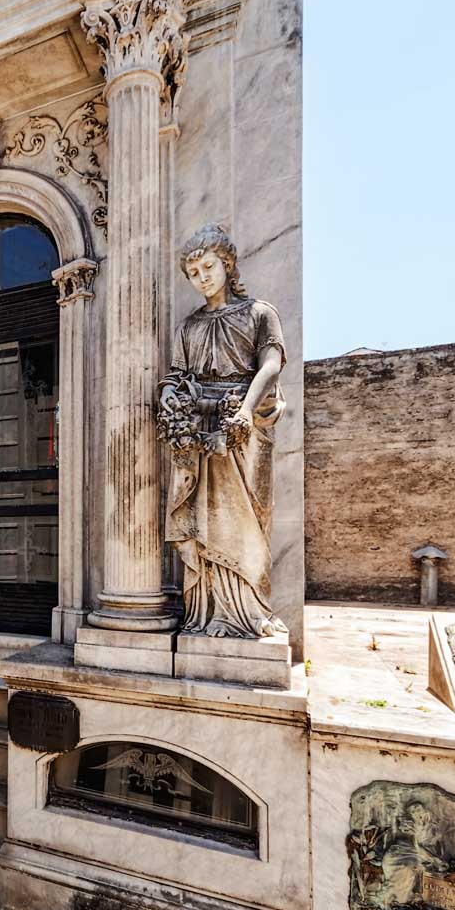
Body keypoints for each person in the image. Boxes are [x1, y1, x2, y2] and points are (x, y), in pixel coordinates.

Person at [159, 224, 287, 638]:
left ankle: (250, 614)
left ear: (227, 265)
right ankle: (208, 612)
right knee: (203, 520)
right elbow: (176, 376)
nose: (203, 277)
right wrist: (167, 398)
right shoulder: (189, 327)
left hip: (243, 425)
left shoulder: (258, 313)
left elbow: (271, 364)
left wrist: (247, 412)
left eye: (208, 266)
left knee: (247, 518)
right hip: (199, 425)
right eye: (193, 273)